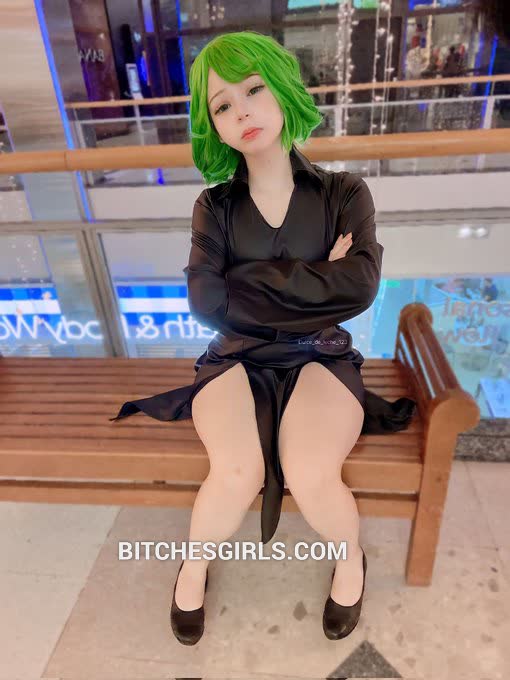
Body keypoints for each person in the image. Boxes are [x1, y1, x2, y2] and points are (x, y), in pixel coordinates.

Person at [109, 30, 416, 645]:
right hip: (234, 358)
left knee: (312, 469)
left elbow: (359, 288)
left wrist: (246, 282)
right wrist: (317, 277)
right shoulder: (214, 205)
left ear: (281, 89)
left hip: (320, 356)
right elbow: (206, 303)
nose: (242, 111)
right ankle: (192, 566)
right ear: (213, 125)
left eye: (253, 90)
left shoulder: (345, 192)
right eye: (222, 104)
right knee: (235, 469)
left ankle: (349, 560)